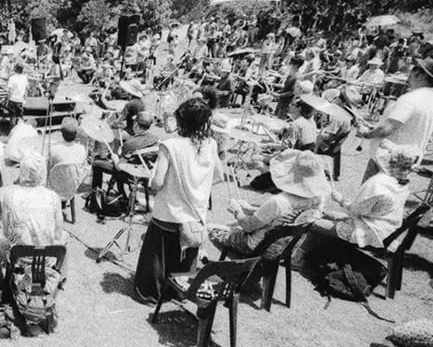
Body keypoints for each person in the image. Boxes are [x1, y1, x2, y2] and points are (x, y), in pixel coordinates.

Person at [134, 99, 218, 303]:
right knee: (184, 257)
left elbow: (157, 182)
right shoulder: (211, 144)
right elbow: (218, 176)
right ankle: (179, 291)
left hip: (170, 212)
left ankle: (151, 292)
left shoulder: (170, 145)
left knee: (157, 256)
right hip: (195, 214)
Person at [210, 149, 329, 255]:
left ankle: (242, 267)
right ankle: (246, 268)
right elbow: (282, 216)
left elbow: (248, 226)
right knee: (232, 226)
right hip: (285, 248)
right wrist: (250, 209)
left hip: (259, 247)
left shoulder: (279, 201)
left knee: (212, 230)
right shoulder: (319, 198)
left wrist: (237, 211)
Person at [357, 56, 433, 180]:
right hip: (409, 157)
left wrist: (367, 134)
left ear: (421, 75)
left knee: (371, 195)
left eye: (414, 69)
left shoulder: (411, 98)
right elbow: (412, 123)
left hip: (387, 158)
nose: (410, 73)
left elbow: (386, 130)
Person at [0, 152, 64, 284]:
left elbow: (8, 234)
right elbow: (58, 234)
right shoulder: (53, 197)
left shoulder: (10, 196)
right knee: (65, 237)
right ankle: (58, 278)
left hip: (20, 258)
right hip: (47, 257)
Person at [310, 147, 416, 247]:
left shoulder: (378, 184)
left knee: (312, 222)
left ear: (390, 165)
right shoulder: (402, 183)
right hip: (384, 227)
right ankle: (320, 255)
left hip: (369, 231)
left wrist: (340, 200)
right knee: (328, 215)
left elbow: (356, 210)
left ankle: (301, 259)